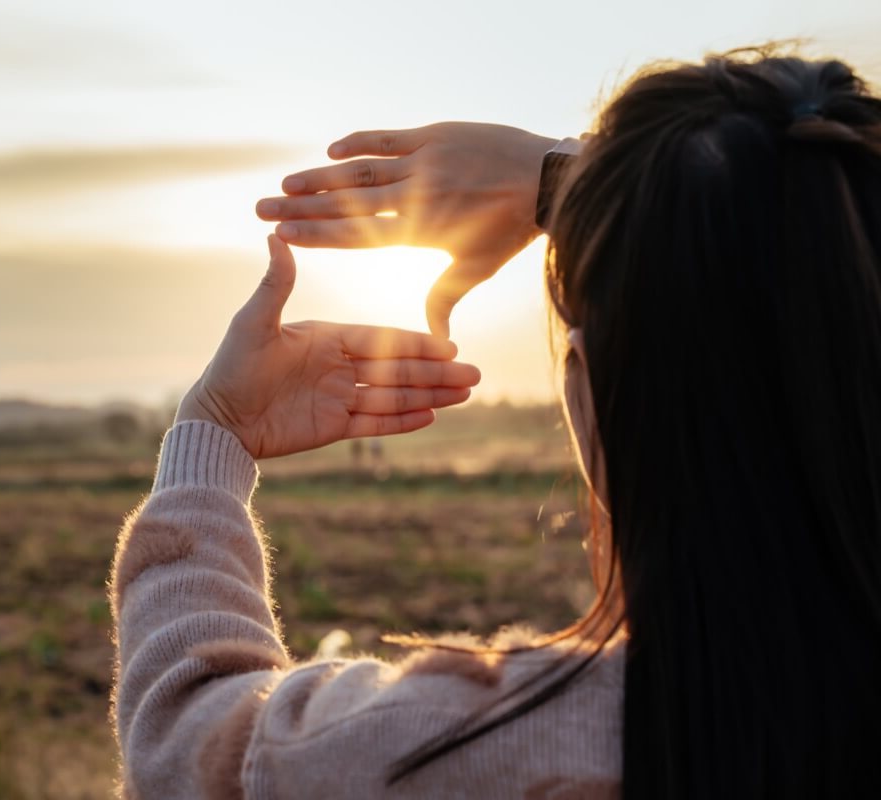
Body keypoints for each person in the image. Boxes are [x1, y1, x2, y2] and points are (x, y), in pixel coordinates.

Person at [109, 48, 881, 799]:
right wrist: (570, 179)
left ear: (587, 384)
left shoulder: (488, 748)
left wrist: (215, 429)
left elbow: (182, 742)